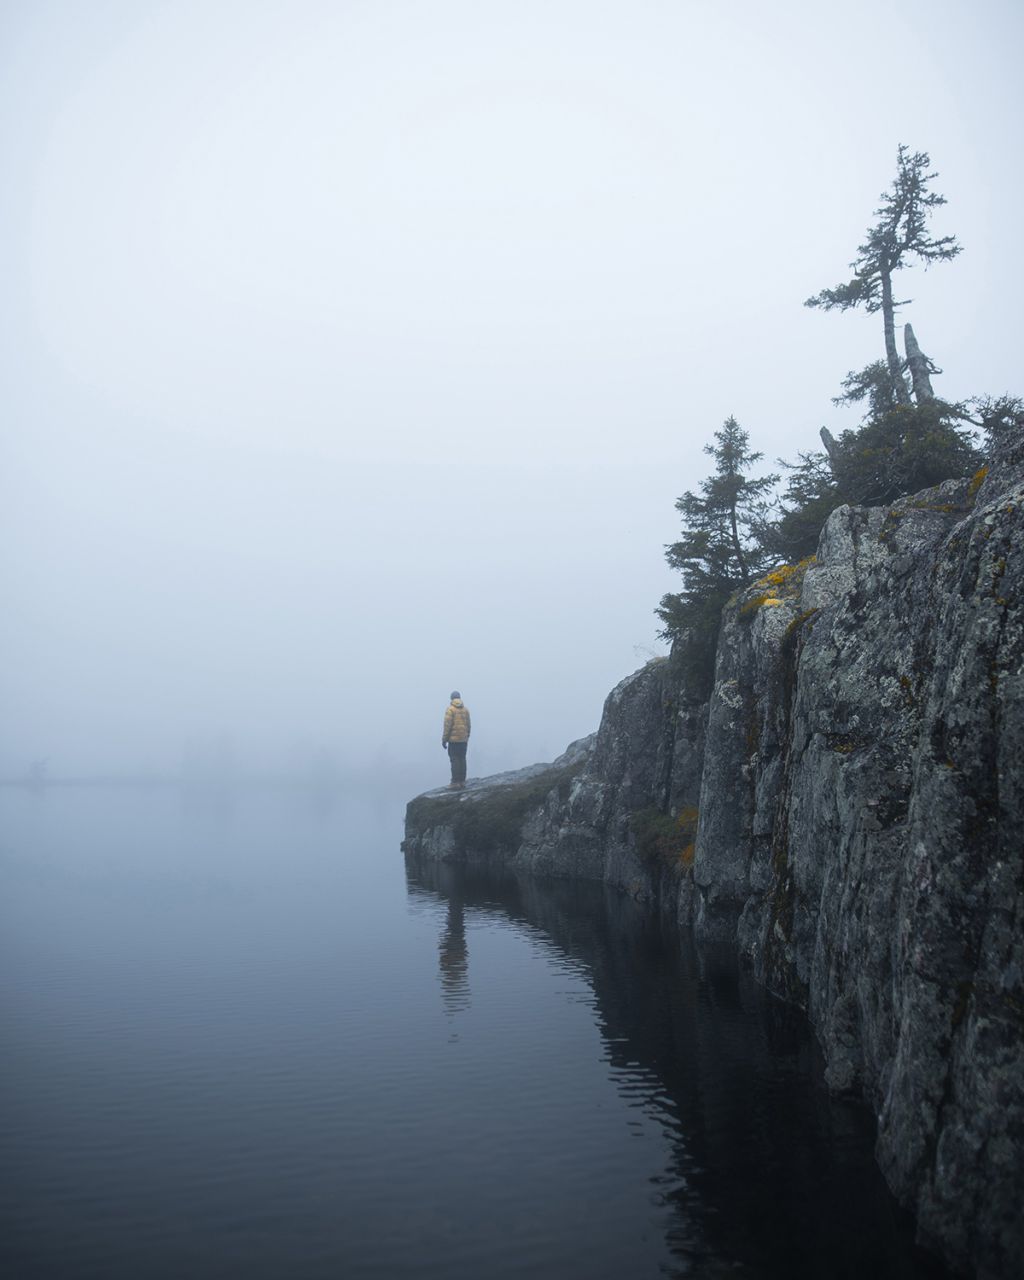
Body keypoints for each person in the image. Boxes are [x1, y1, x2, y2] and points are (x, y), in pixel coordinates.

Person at [442, 690, 471, 790]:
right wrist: (467, 736)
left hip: (453, 741)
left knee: (454, 760)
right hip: (463, 740)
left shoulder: (450, 710)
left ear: (451, 698)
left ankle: (455, 782)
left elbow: (447, 726)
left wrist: (444, 739)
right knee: (462, 759)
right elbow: (468, 725)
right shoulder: (466, 710)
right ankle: (462, 781)